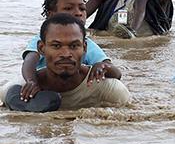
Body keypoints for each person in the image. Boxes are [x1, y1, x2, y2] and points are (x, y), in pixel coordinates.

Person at [0, 14, 130, 112]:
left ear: (84, 48)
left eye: (74, 46)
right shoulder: (17, 91)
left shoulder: (108, 90)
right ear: (41, 48)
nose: (66, 54)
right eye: (56, 46)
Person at [21, 0, 121, 103]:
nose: (78, 13)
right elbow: (29, 61)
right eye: (68, 8)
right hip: (44, 90)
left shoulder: (87, 43)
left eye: (82, 8)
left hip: (74, 89)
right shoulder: (42, 40)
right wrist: (31, 81)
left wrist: (102, 66)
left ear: (84, 47)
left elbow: (116, 73)